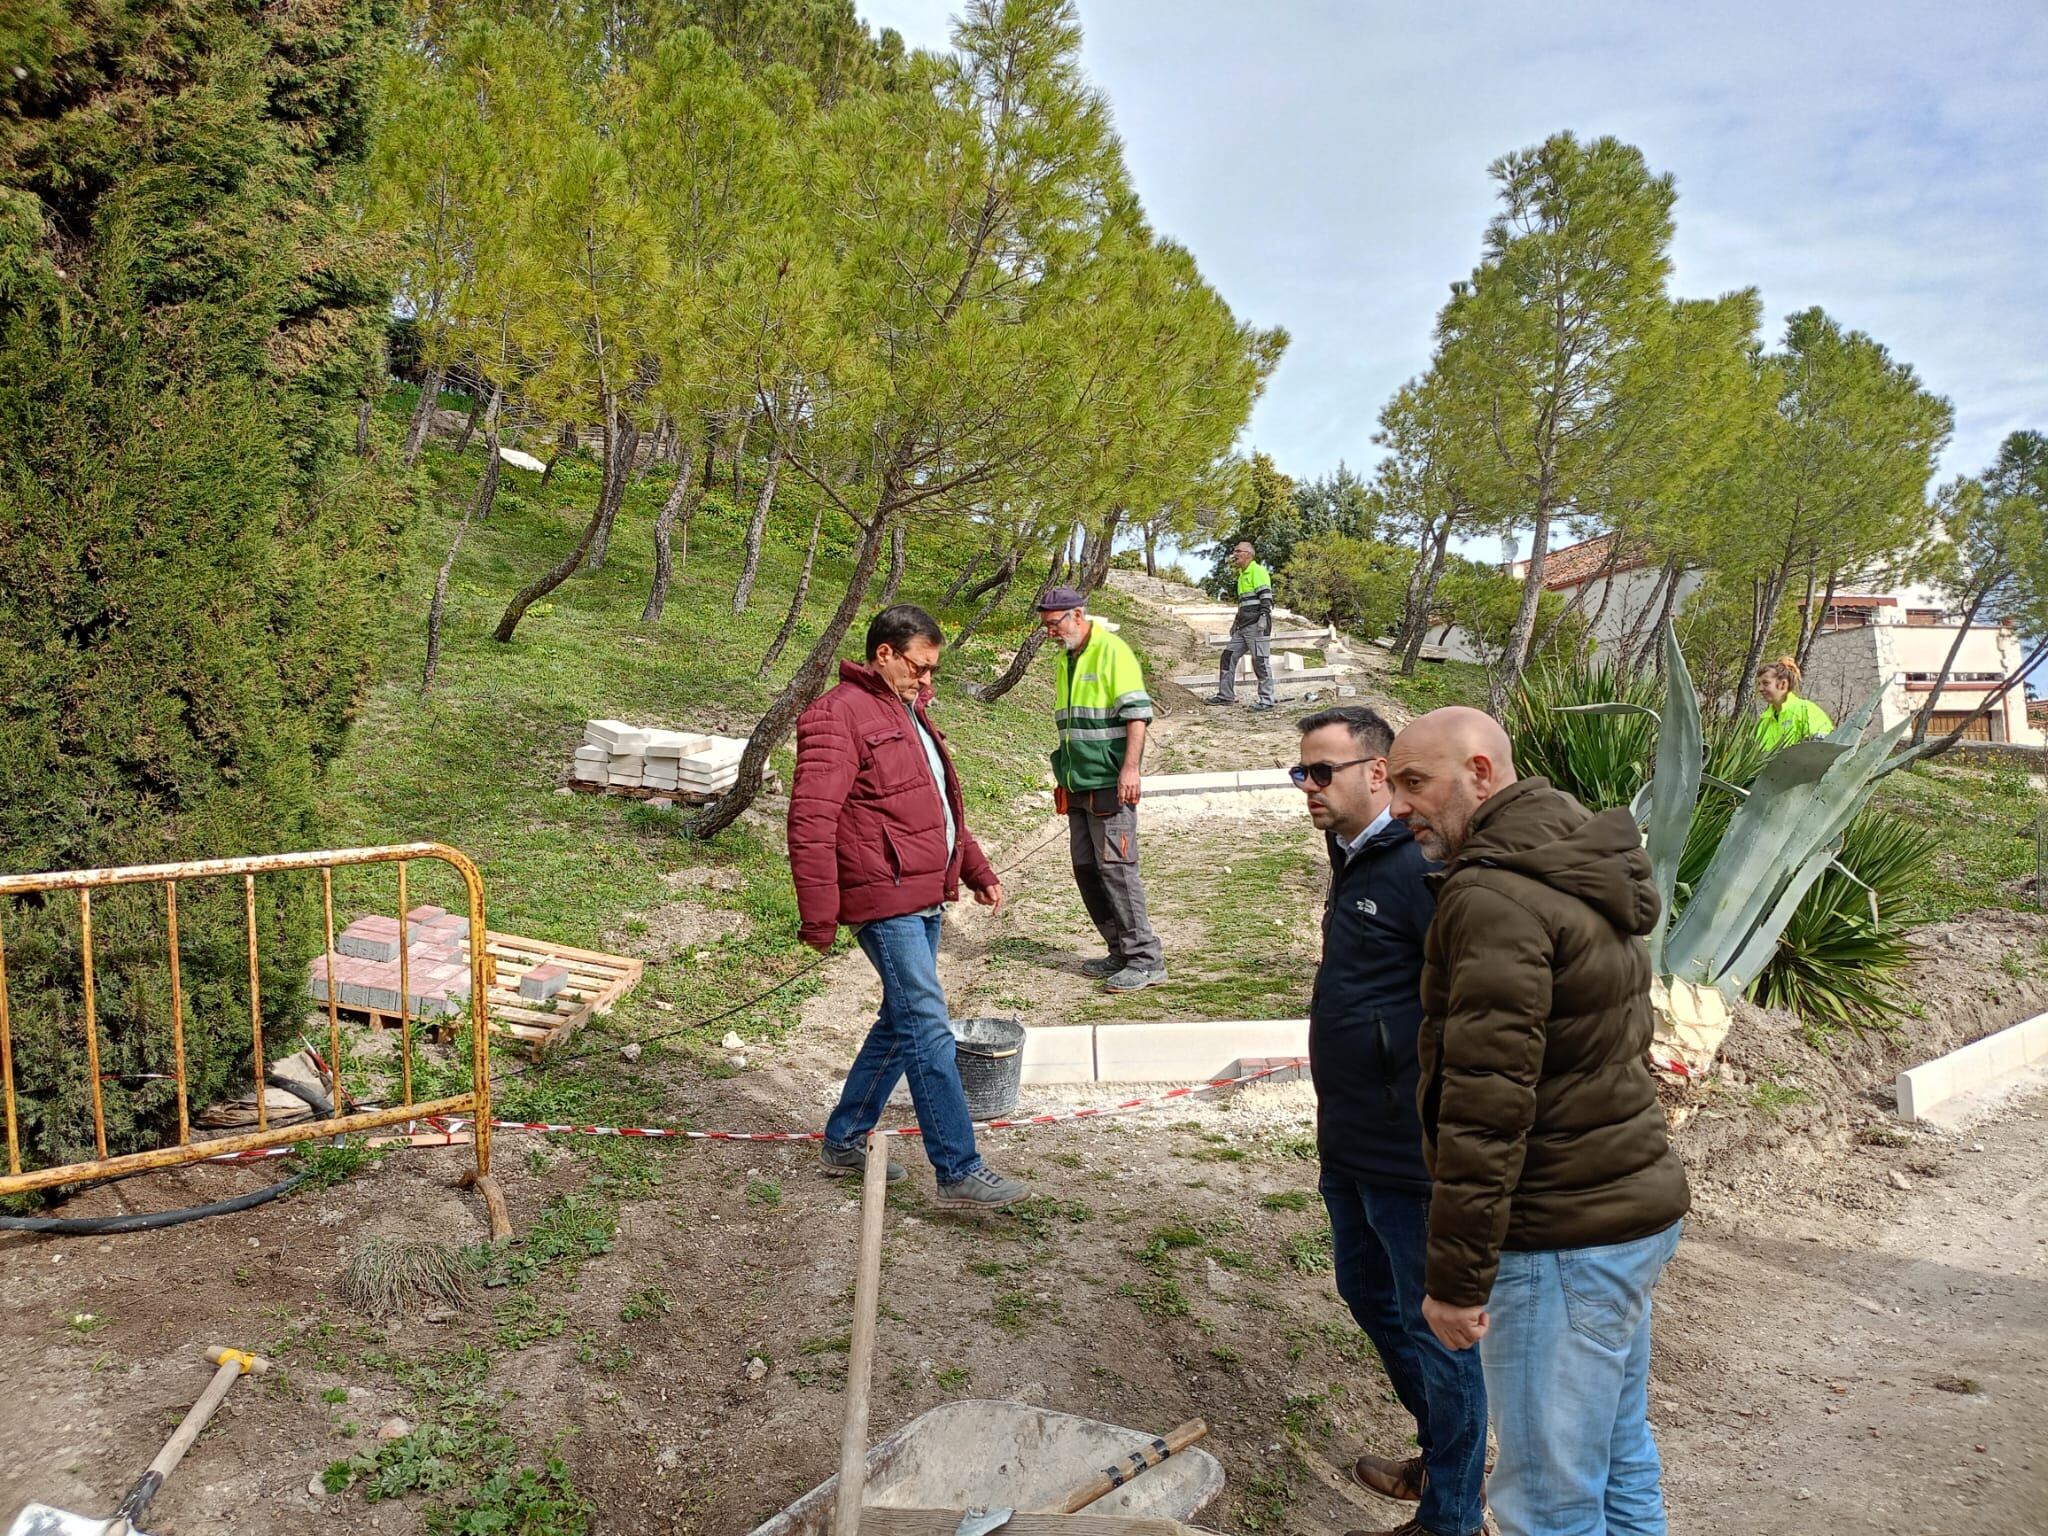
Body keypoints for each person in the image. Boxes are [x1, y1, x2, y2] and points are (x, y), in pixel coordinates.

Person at [1386, 706, 1692, 1536]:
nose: (1399, 806)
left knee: (1546, 1502)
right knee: (1618, 1455)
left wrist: (1452, 1284)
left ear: (1481, 772)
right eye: (1392, 783)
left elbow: (1486, 1105)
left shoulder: (1492, 896)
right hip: (1626, 1213)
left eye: (1416, 782)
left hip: (1558, 1238)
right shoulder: (1575, 859)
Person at [1294, 706, 1487, 1536]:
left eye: (1321, 771)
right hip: (1352, 1137)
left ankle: (1452, 1514)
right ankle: (1447, 1459)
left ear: (1377, 773)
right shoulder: (1355, 856)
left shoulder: (1417, 865)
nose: (1306, 787)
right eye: (1301, 771)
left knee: (1435, 1330)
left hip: (1408, 1148)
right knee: (1367, 1293)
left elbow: (1466, 1003)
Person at [788, 604, 1028, 1210]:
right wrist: (818, 913)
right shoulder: (836, 714)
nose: (928, 680)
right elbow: (811, 819)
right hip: (882, 897)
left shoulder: (908, 710)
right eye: (919, 668)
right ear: (885, 653)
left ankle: (844, 1139)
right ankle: (958, 1167)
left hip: (922, 893)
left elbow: (936, 807)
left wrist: (975, 868)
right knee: (926, 1025)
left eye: (932, 670)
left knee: (900, 1023)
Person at [1035, 585, 1167, 993]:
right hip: (1077, 785)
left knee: (1118, 871)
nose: (1051, 633)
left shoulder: (1113, 651)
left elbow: (1137, 716)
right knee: (1088, 870)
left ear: (1077, 615)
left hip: (1111, 784)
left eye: (1054, 625)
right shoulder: (1067, 660)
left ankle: (1146, 959)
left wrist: (1130, 769)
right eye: (1046, 628)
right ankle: (1119, 951)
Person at [1210, 540, 1277, 711]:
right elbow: (1243, 604)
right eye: (1234, 551)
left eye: (1238, 551)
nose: (1235, 554)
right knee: (1227, 657)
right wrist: (1236, 622)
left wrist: (1264, 616)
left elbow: (1266, 597)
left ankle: (1267, 700)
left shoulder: (1257, 571)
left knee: (1260, 662)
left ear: (1248, 554)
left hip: (1257, 626)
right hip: (1243, 627)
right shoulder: (1242, 576)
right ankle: (1226, 696)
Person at [1754, 656, 1833, 749]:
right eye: (1759, 684)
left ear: (1783, 684)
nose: (1760, 689)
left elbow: (1821, 750)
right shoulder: (1764, 721)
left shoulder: (1806, 711)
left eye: (1766, 683)